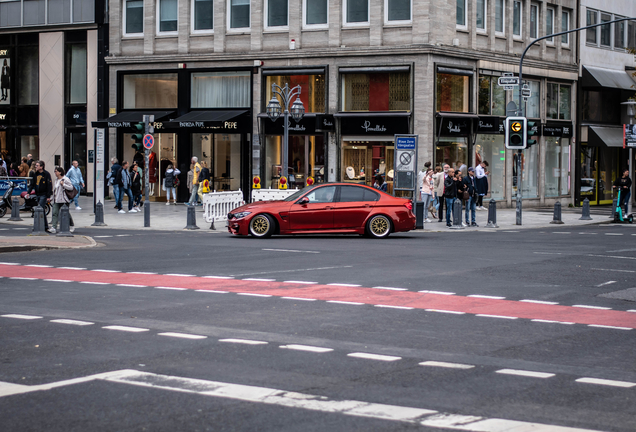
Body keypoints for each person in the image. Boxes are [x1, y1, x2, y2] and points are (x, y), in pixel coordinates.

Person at [50, 166, 75, 234]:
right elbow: (55, 190)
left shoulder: (65, 179)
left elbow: (71, 187)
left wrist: (63, 184)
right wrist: (51, 198)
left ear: (60, 172)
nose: (55, 173)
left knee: (66, 213)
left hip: (64, 200)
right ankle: (54, 227)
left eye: (56, 171)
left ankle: (71, 225)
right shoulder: (56, 180)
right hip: (56, 199)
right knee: (55, 213)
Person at [29, 160, 53, 232]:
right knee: (41, 210)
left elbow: (49, 185)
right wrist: (28, 192)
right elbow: (32, 184)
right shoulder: (35, 174)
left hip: (43, 194)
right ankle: (44, 226)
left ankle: (41, 226)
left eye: (37, 165)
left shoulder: (46, 174)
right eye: (35, 165)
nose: (36, 167)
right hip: (38, 194)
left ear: (41, 167)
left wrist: (48, 196)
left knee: (40, 208)